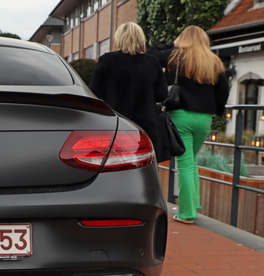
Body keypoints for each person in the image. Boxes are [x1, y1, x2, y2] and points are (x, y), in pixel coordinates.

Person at [146, 26, 229, 224]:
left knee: (184, 163)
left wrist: (173, 44)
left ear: (182, 39)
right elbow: (223, 91)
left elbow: (150, 53)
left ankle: (186, 213)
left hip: (181, 115)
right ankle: (193, 204)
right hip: (204, 119)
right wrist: (215, 110)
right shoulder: (213, 60)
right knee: (191, 161)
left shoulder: (176, 56)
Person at [89, 22, 169, 162]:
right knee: (146, 170)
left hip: (116, 125)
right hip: (146, 128)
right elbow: (162, 94)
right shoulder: (152, 62)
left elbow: (94, 93)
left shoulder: (107, 60)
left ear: (119, 38)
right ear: (141, 39)